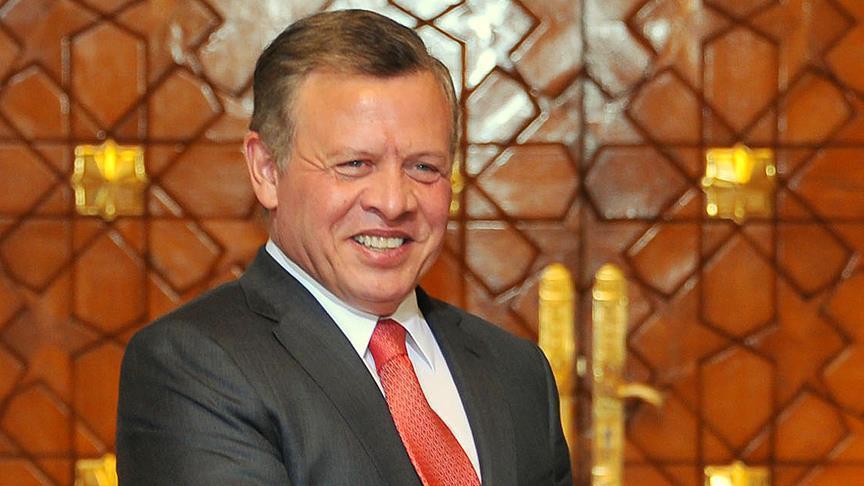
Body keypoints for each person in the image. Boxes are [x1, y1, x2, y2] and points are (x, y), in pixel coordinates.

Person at [116, 9, 572, 485]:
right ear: (267, 170)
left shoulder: (518, 373)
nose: (393, 202)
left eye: (423, 167)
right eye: (355, 164)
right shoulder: (195, 366)